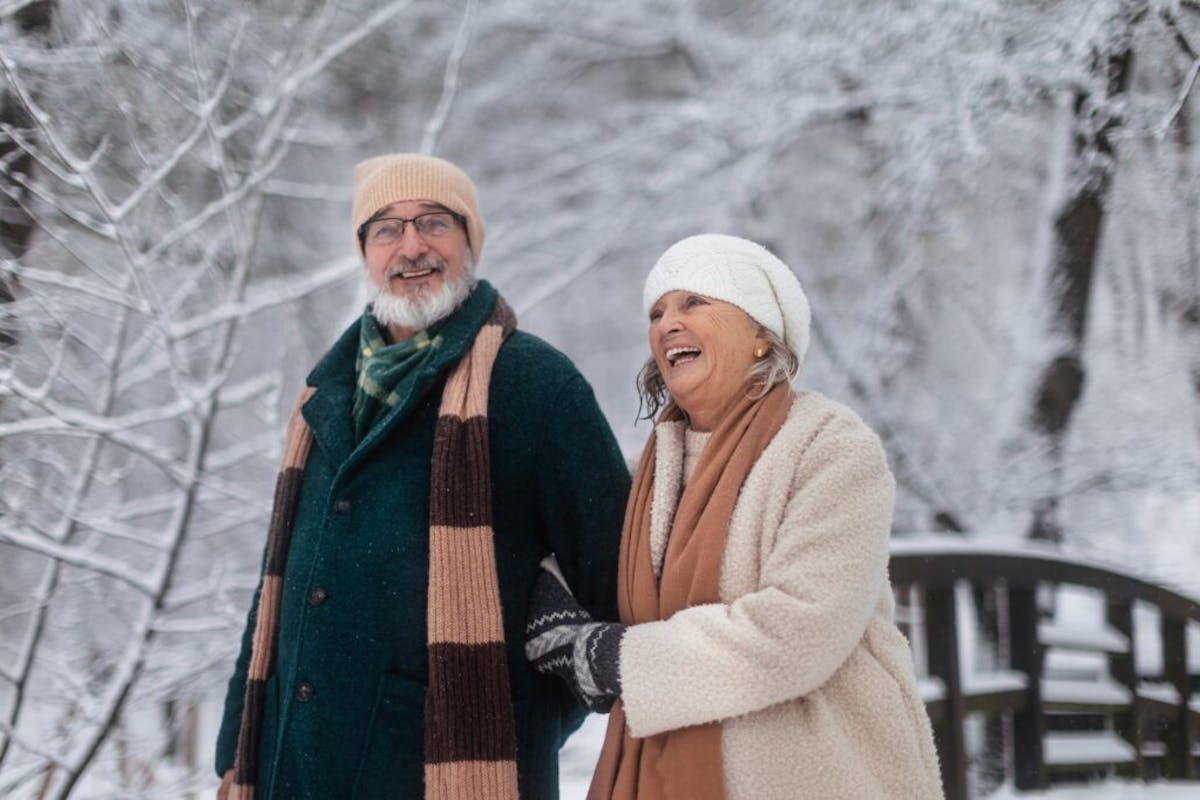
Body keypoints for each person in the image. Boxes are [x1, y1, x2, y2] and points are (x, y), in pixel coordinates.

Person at [214, 154, 630, 800]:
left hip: (439, 777)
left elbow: (618, 584)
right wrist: (233, 752)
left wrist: (521, 721)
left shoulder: (537, 388)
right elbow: (278, 585)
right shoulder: (322, 394)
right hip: (288, 769)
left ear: (470, 241)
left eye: (433, 223)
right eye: (386, 229)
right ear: (365, 253)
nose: (411, 246)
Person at [526, 234, 944, 799]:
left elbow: (797, 631)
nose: (667, 323)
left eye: (694, 303)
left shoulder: (829, 448)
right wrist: (548, 595)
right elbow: (577, 545)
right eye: (656, 312)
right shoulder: (650, 472)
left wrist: (617, 659)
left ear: (760, 336)